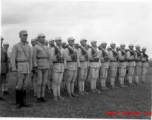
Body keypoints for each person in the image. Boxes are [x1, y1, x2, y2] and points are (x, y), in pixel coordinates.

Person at [10, 30, 32, 108]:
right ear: (20, 36)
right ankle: (18, 102)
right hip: (20, 66)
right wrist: (14, 68)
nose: (25, 37)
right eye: (24, 35)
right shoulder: (16, 46)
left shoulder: (28, 46)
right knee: (19, 85)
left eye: (26, 35)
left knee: (25, 85)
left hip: (27, 67)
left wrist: (31, 68)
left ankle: (24, 101)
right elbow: (12, 58)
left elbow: (30, 59)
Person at [33, 33, 50, 102]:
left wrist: (49, 64)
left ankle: (42, 96)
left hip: (46, 65)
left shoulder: (46, 47)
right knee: (39, 82)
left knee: (44, 82)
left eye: (44, 37)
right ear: (38, 38)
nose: (43, 38)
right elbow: (34, 58)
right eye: (42, 37)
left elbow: (48, 57)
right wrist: (35, 67)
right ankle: (38, 97)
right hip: (39, 65)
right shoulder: (36, 47)